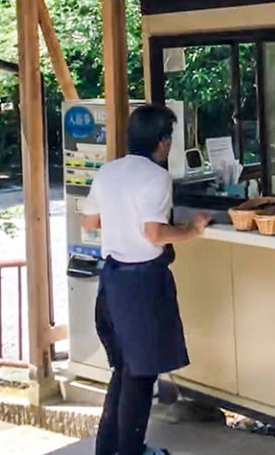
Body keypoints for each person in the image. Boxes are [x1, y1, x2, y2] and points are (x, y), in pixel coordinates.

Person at [81, 104, 212, 455]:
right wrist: (192, 229)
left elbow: (89, 223)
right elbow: (154, 233)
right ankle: (131, 451)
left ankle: (108, 449)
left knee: (123, 371)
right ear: (163, 141)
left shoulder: (109, 171)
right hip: (141, 285)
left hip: (111, 282)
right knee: (140, 377)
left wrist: (121, 220)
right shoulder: (156, 177)